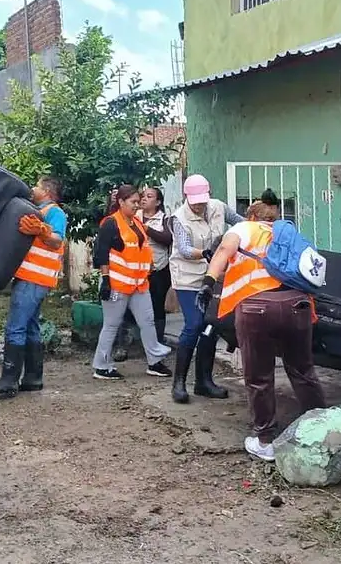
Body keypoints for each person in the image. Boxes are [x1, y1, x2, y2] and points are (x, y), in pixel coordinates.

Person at [196, 189, 328, 461]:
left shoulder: (244, 228)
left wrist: (209, 281)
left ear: (252, 215)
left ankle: (265, 440)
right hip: (298, 305)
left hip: (257, 308)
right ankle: (323, 432)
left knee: (259, 376)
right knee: (303, 370)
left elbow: (224, 249)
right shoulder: (290, 235)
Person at [0, 176, 67, 397]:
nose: (33, 188)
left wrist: (42, 230)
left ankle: (9, 380)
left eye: (37, 185)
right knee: (30, 327)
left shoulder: (54, 212)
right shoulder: (39, 212)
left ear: (47, 191)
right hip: (33, 278)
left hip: (34, 278)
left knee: (16, 326)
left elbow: (57, 240)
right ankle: (32, 378)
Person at [169, 174, 243, 403]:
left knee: (212, 325)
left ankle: (204, 381)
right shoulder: (178, 218)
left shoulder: (219, 207)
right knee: (194, 324)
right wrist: (205, 253)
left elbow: (241, 223)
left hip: (213, 276)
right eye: (195, 201)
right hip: (188, 278)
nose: (199, 205)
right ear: (186, 197)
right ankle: (178, 383)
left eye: (202, 200)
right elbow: (183, 248)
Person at [91, 185, 172, 380]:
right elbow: (101, 254)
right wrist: (106, 280)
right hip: (117, 285)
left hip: (139, 284)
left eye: (139, 201)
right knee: (111, 325)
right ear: (121, 202)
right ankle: (101, 366)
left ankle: (155, 361)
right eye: (133, 202)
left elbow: (142, 249)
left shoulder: (136, 222)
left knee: (148, 322)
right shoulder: (111, 223)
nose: (137, 205)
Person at [139, 187, 172, 345]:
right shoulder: (133, 216)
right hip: (136, 270)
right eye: (143, 196)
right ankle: (128, 342)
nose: (144, 199)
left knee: (157, 306)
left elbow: (167, 238)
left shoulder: (164, 219)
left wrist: (147, 229)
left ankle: (158, 341)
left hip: (159, 269)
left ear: (158, 202)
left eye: (149, 196)